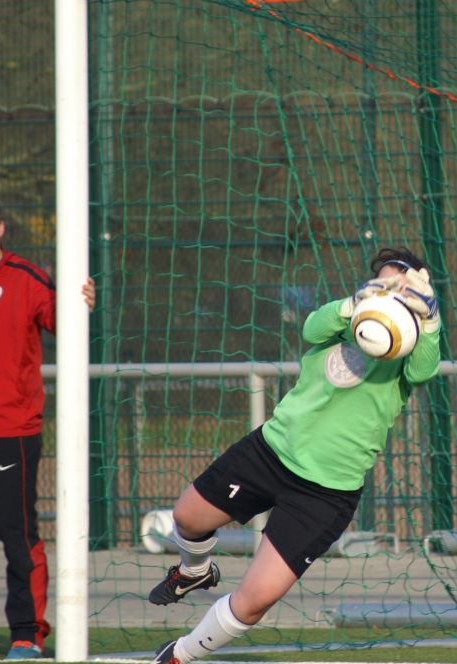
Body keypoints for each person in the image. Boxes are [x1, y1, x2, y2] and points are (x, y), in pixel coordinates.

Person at [148, 247, 441, 664]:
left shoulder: (411, 352)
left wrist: (429, 321)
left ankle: (179, 654)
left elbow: (426, 371)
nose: (389, 292)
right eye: (382, 282)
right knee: (187, 518)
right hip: (271, 451)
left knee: (255, 599)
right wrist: (354, 302)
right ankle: (195, 571)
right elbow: (311, 327)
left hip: (324, 494)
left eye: (401, 285)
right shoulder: (340, 321)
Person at [0, 191, 96, 659]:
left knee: (18, 536)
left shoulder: (26, 277)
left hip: (10, 432)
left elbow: (61, 320)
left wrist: (81, 303)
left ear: (0, 228)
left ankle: (27, 635)